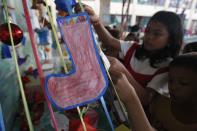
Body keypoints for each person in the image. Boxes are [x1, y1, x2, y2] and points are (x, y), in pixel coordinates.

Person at [75, 5, 183, 105]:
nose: (149, 36)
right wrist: (97, 22)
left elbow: (145, 99)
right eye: (147, 31)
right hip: (117, 108)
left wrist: (123, 71)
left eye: (157, 34)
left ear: (170, 40)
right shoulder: (133, 49)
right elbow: (110, 40)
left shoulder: (166, 67)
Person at [109, 53, 197, 131]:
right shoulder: (160, 103)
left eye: (183, 83)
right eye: (170, 80)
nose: (173, 87)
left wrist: (130, 98)